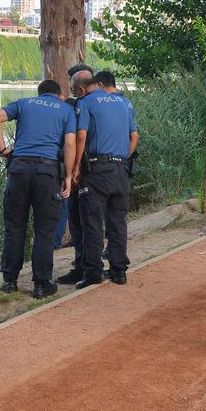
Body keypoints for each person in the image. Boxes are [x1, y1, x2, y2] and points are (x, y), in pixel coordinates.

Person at [0, 79, 76, 299]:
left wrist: (2, 150)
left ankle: (9, 281)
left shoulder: (24, 103)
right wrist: (67, 175)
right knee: (44, 230)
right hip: (46, 172)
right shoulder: (65, 109)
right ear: (59, 95)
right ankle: (41, 284)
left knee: (14, 227)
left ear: (39, 94)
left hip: (18, 169)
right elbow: (69, 144)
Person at [72, 72, 139, 287]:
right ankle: (119, 271)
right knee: (118, 222)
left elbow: (81, 135)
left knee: (92, 222)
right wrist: (122, 159)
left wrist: (75, 168)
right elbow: (134, 135)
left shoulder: (86, 102)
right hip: (121, 168)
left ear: (81, 90)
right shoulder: (121, 102)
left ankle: (93, 273)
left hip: (97, 169)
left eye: (74, 90)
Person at [56, 63, 95, 284]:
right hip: (95, 170)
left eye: (71, 83)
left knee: (80, 220)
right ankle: (84, 264)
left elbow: (76, 140)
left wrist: (72, 171)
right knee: (84, 221)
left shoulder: (78, 107)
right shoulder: (97, 104)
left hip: (80, 172)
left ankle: (84, 267)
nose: (70, 88)